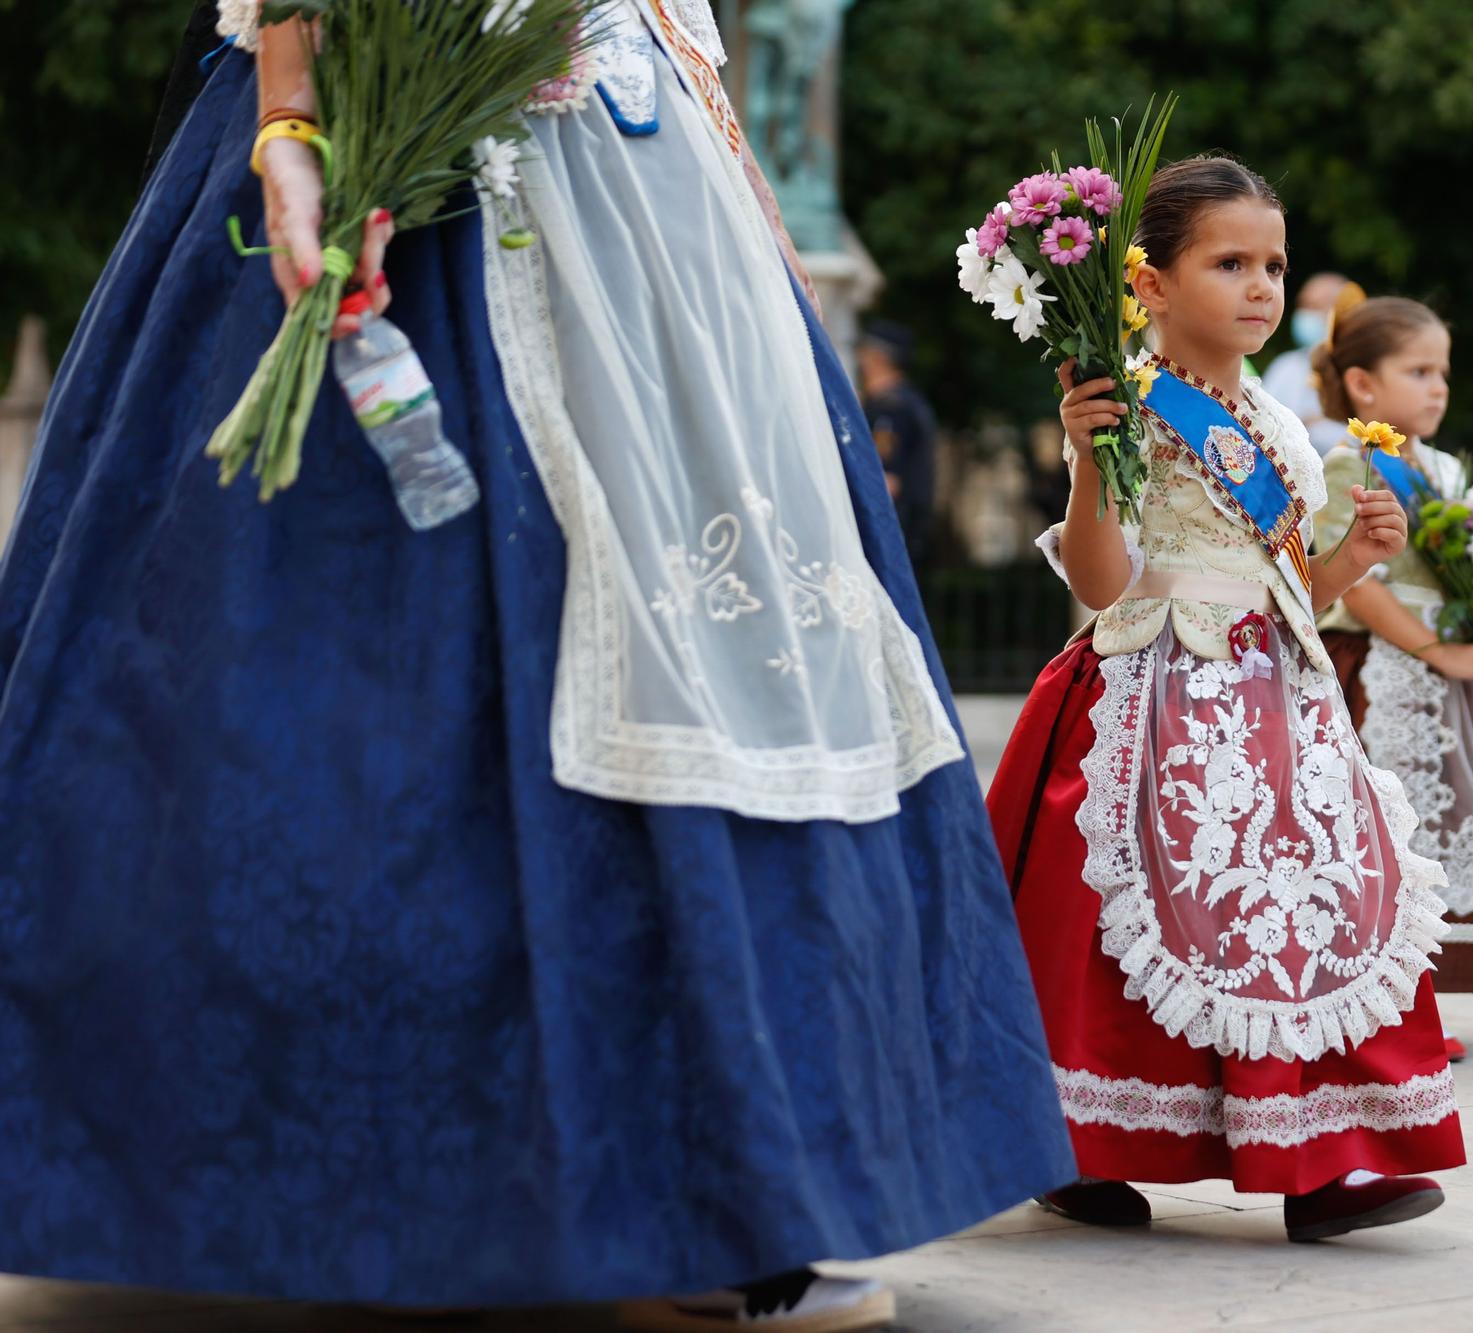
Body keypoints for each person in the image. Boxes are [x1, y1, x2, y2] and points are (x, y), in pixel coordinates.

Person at [0, 3, 1073, 1328]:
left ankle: (728, 1189)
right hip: (411, 121)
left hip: (624, 139)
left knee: (706, 619)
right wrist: (293, 119)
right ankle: (187, 1170)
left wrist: (739, 189)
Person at [985, 156, 1465, 1244]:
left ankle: (1320, 1155)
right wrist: (1082, 454)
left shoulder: (1274, 422)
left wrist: (1345, 560)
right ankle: (1077, 1143)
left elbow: (1288, 582)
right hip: (1156, 685)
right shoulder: (1128, 401)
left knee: (1311, 906)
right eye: (1229, 262)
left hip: (1276, 692)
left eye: (1272, 265)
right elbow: (1103, 583)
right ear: (1148, 284)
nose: (1259, 286)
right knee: (1137, 918)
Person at [1310, 297, 1473, 1043]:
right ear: (1363, 386)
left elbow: (1466, 573)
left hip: (1451, 682)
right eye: (1418, 370)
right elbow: (1361, 584)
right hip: (1383, 677)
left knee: (1446, 833)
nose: (1439, 385)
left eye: (1442, 370)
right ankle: (1383, 1012)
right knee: (1390, 838)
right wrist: (1436, 648)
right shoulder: (1351, 463)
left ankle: (1418, 1005)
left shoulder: (1446, 469)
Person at [857, 320, 938, 564]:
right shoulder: (902, 402)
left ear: (878, 357)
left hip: (889, 532)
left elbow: (887, 480)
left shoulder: (891, 408)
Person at [1260, 270, 1365, 451]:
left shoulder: (1364, 366)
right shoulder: (1285, 365)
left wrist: (1311, 424)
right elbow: (1263, 425)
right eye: (1303, 305)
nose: (1305, 314)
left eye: (1316, 306)